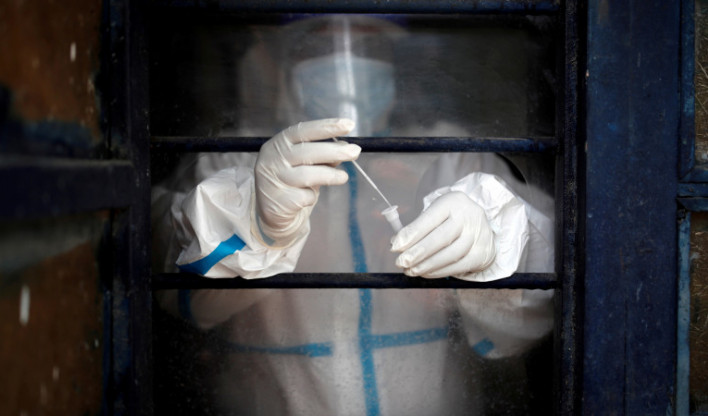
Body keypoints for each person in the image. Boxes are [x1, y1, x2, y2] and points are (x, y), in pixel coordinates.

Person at [153, 15, 555, 415]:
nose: (346, 61)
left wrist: (495, 242)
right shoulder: (238, 160)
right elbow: (168, 269)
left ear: (394, 61)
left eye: (369, 46)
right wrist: (252, 219)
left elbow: (551, 283)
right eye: (320, 45)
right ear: (285, 59)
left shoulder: (451, 156)